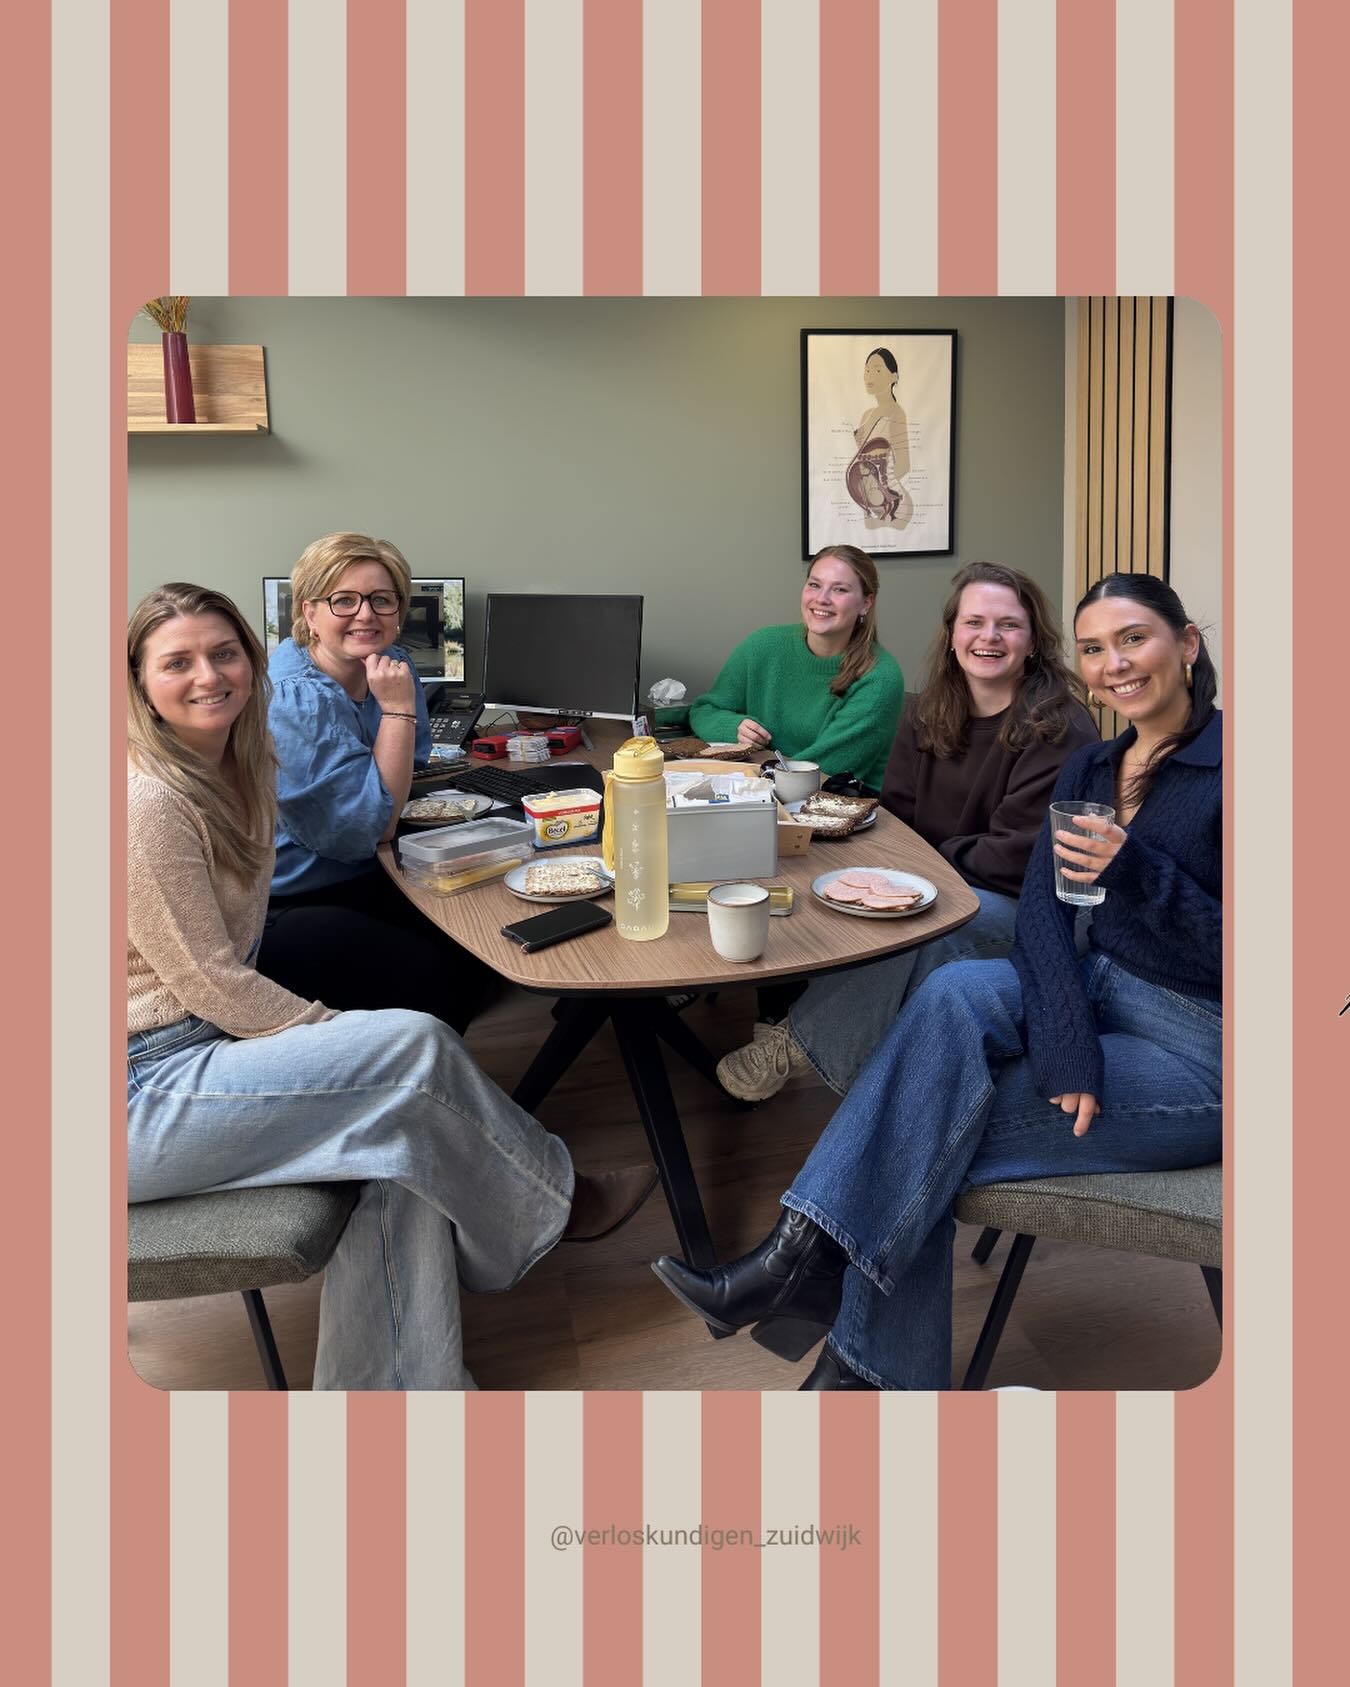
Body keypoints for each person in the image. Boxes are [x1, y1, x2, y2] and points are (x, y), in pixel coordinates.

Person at [654, 572, 1221, 1390]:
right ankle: (824, 1313)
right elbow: (1042, 917)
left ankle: (825, 1316)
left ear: (1187, 643)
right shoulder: (1094, 767)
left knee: (915, 1135)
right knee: (950, 998)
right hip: (1100, 995)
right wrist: (1065, 1043)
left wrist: (1139, 875)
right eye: (1097, 647)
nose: (1114, 663)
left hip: (1204, 1049)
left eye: (1135, 639)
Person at [127, 583, 654, 1390]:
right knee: (409, 1045)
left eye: (225, 651)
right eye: (178, 661)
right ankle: (557, 1202)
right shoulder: (149, 801)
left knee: (401, 1148)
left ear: (253, 658)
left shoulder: (235, 767)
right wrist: (330, 1028)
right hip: (140, 1089)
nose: (209, 674)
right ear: (138, 682)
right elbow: (211, 980)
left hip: (195, 1052)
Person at [717, 562, 1099, 1101]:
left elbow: (1017, 857)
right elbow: (896, 814)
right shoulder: (928, 711)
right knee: (840, 894)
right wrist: (896, 873)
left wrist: (921, 872)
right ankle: (851, 1054)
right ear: (952, 635)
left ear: (1034, 641)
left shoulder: (1060, 727)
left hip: (1034, 907)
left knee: (920, 925)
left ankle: (799, 1044)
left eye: (1008, 625)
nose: (988, 637)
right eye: (974, 623)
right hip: (943, 874)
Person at [255, 532, 491, 1031]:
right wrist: (400, 710)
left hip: (373, 870)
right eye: (343, 600)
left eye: (382, 600)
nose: (366, 615)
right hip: (297, 899)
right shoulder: (294, 699)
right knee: (440, 978)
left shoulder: (392, 664)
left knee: (492, 934)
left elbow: (412, 764)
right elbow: (368, 829)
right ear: (309, 612)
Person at [688, 545, 904, 791]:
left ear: (866, 603)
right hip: (761, 789)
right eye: (814, 585)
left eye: (840, 589)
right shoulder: (762, 645)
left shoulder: (880, 678)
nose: (822, 598)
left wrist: (745, 778)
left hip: (837, 807)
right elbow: (704, 710)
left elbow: (821, 771)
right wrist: (732, 728)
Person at [846, 347, 913, 531]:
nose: (870, 376)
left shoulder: (896, 413)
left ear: (894, 377)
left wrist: (879, 488)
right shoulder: (867, 414)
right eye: (867, 370)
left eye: (877, 370)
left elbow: (904, 464)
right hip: (868, 498)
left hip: (892, 500)